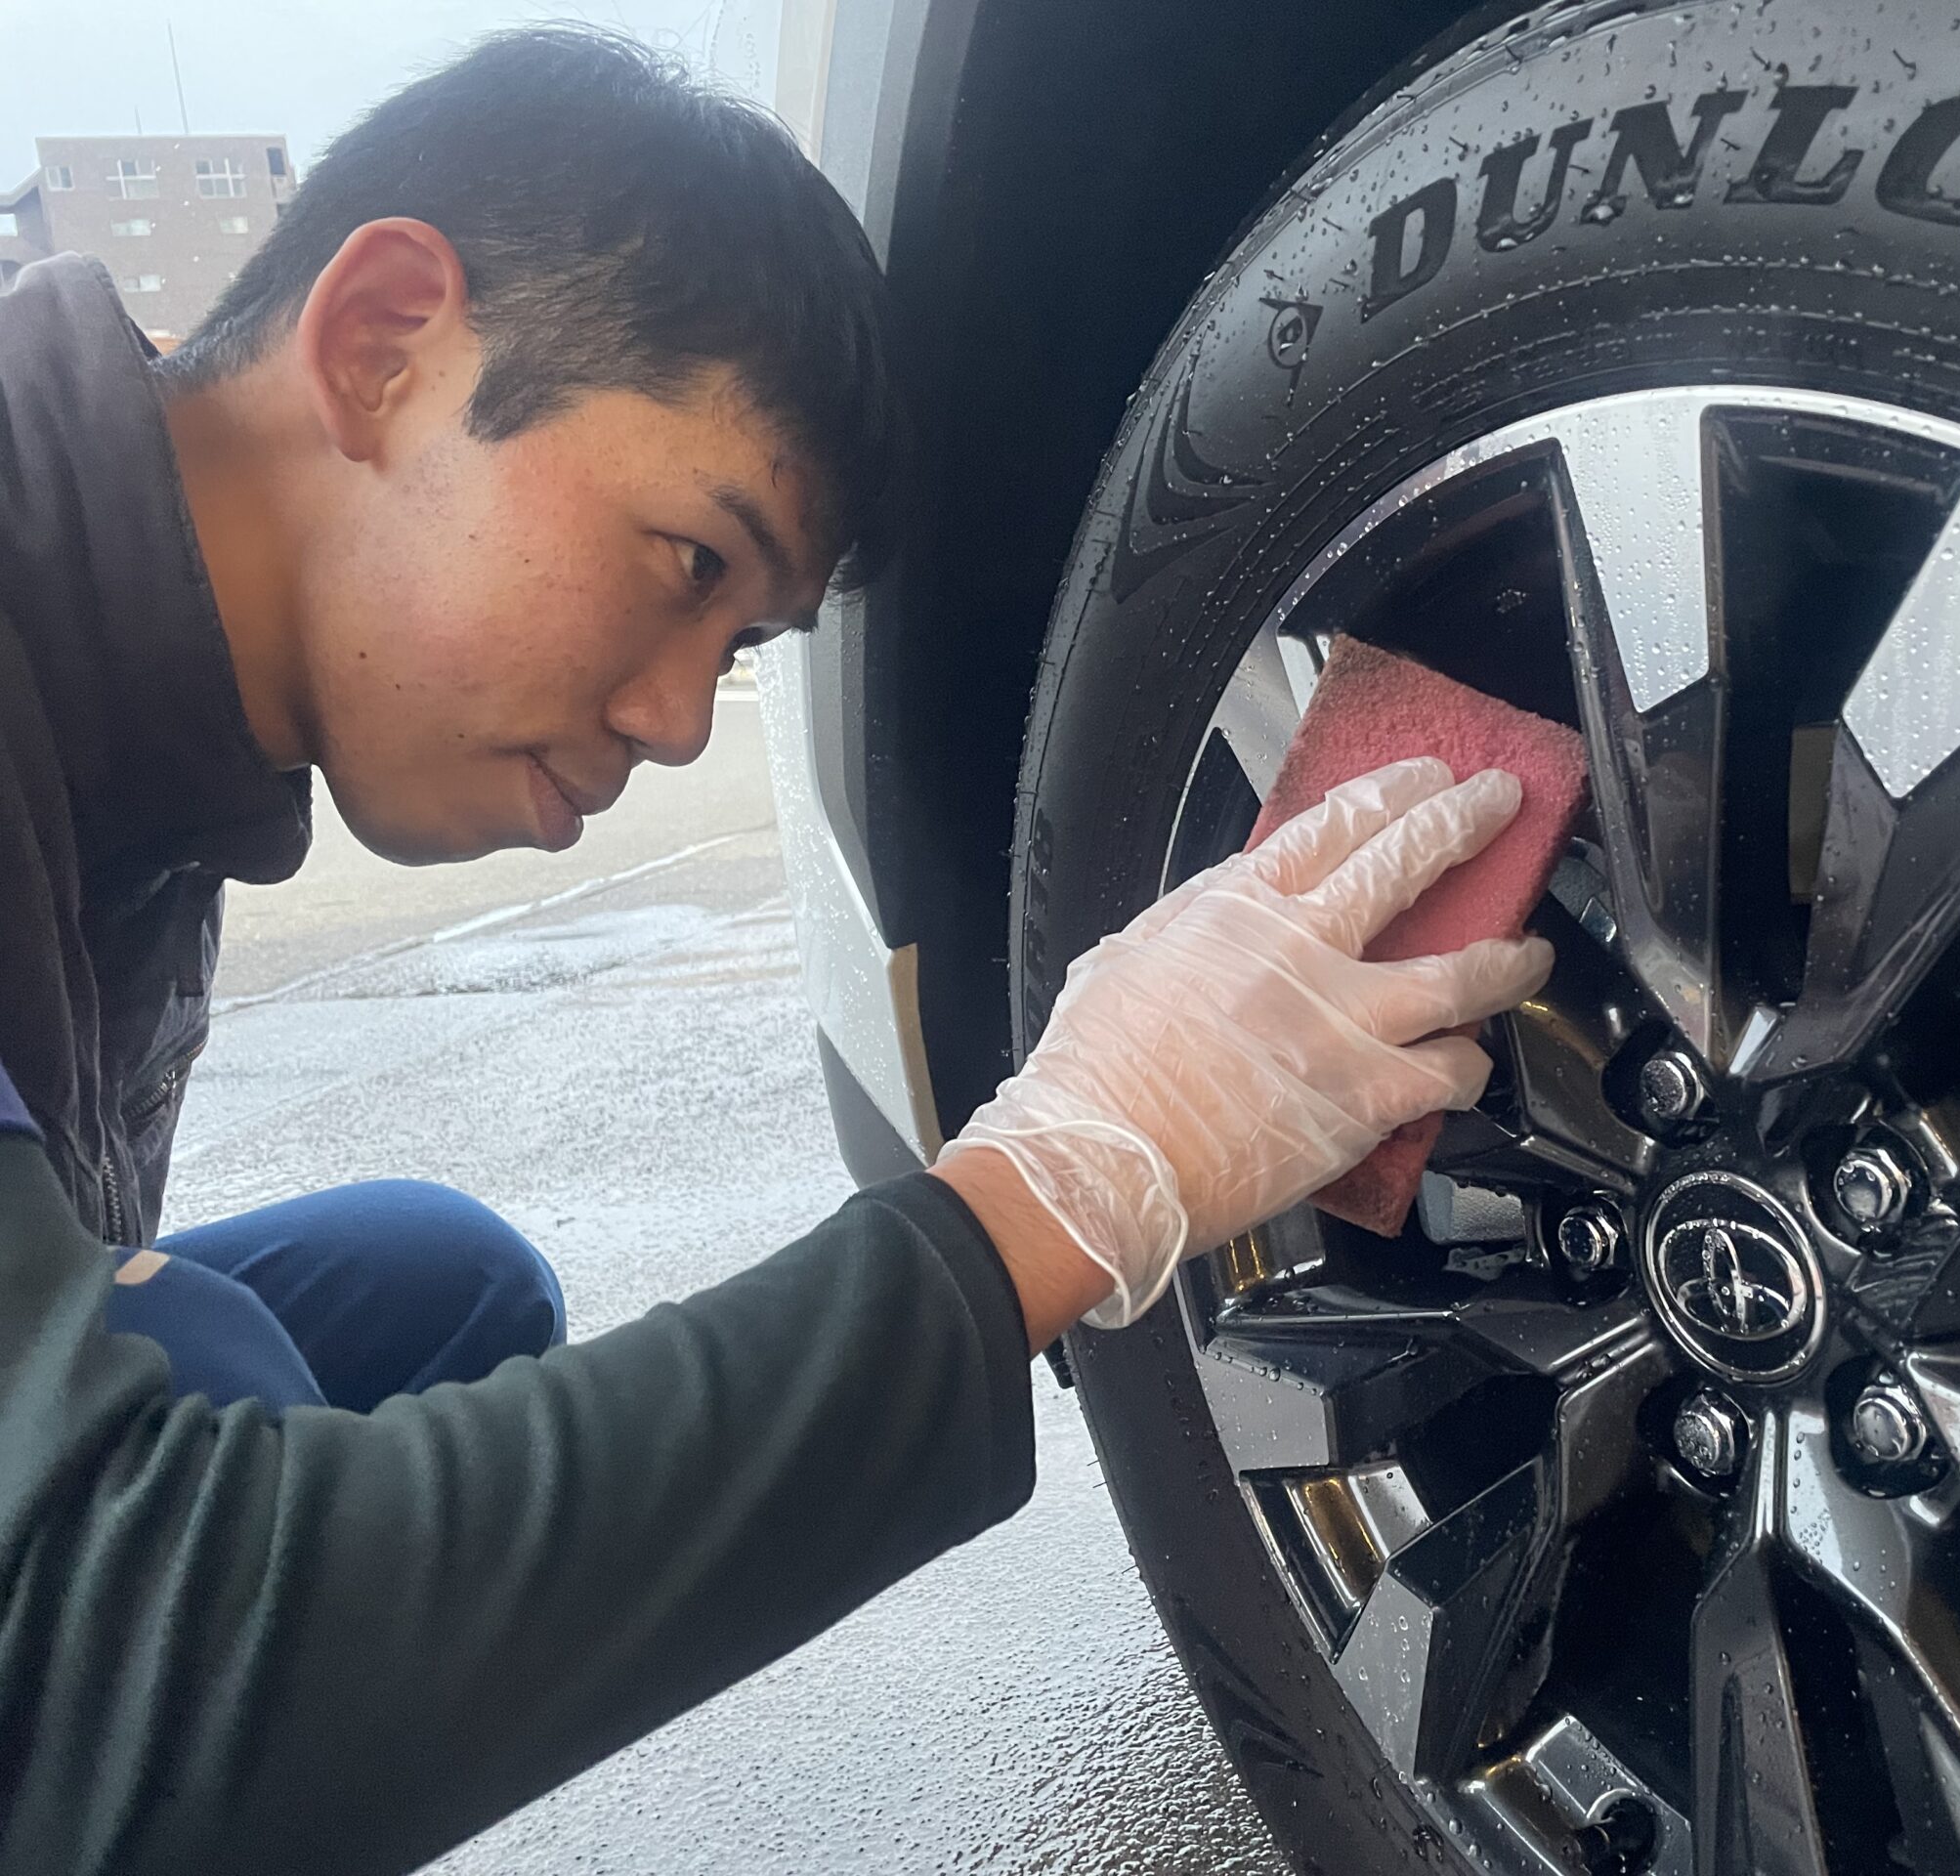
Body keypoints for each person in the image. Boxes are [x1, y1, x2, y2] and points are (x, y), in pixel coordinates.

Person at [0, 25, 1555, 1876]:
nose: (677, 723)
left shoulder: (136, 722)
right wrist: (1057, 1189)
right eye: (687, 562)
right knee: (200, 1449)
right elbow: (111, 1675)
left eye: (737, 648)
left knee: (426, 1291)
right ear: (384, 342)